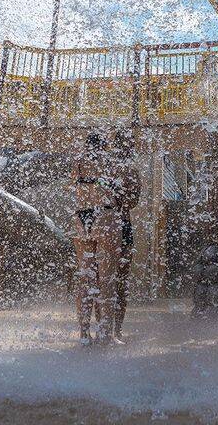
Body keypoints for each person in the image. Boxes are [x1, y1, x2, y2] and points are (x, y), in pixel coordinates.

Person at [72, 132, 122, 345]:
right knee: (107, 279)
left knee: (86, 278)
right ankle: (105, 333)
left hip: (81, 217)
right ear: (105, 146)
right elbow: (120, 194)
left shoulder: (79, 162)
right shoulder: (111, 162)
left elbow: (73, 186)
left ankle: (84, 334)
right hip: (105, 216)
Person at [110, 128, 141, 340]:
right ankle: (116, 331)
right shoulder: (130, 171)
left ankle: (104, 330)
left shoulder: (105, 169)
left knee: (102, 281)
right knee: (120, 281)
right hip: (121, 227)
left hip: (105, 226)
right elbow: (133, 202)